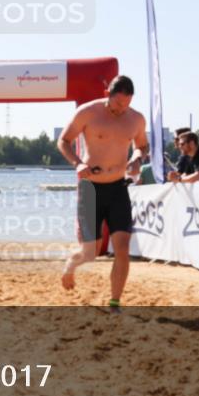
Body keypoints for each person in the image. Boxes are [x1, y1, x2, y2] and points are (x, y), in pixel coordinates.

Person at [57, 75, 148, 309]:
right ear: (109, 94)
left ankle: (115, 301)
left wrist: (137, 159)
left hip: (118, 188)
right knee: (91, 253)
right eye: (118, 104)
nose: (121, 110)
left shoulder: (136, 119)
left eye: (126, 105)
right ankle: (70, 265)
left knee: (122, 249)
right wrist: (78, 163)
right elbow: (63, 141)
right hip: (91, 189)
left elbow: (142, 145)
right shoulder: (89, 112)